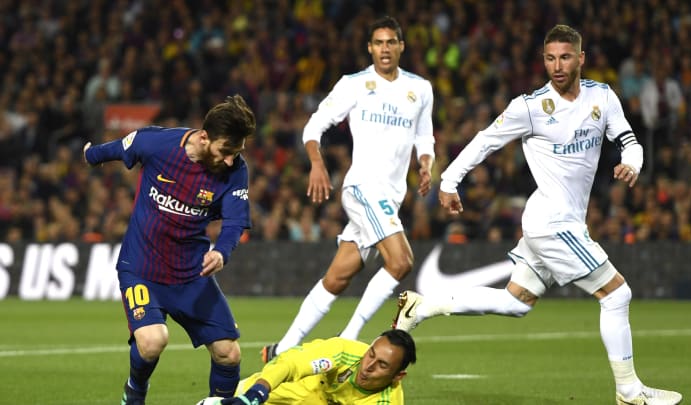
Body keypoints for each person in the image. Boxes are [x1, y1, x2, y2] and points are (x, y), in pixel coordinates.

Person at [393, 25, 682, 405]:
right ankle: (629, 392)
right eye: (549, 58)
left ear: (581, 58)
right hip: (551, 222)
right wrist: (449, 180)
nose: (557, 66)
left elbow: (628, 139)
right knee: (617, 294)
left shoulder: (602, 97)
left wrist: (632, 162)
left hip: (564, 220)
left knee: (516, 302)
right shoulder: (530, 107)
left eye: (564, 57)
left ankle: (424, 305)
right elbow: (485, 140)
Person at [262, 16, 435, 362]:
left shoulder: (421, 89)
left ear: (401, 46)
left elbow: (424, 135)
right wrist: (317, 162)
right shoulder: (354, 84)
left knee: (338, 277)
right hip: (362, 188)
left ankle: (279, 349)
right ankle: (349, 337)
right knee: (401, 262)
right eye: (378, 43)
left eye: (391, 43)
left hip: (389, 197)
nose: (384, 49)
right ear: (369, 48)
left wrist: (426, 162)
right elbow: (313, 127)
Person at [82, 95, 256, 404]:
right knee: (152, 341)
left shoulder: (235, 170)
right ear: (204, 137)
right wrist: (91, 155)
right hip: (142, 267)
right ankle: (135, 392)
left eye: (237, 152)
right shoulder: (157, 144)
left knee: (228, 353)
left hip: (191, 274)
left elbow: (233, 223)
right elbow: (117, 148)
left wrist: (222, 252)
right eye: (226, 151)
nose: (231, 160)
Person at [201, 329, 416, 405]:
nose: (368, 366)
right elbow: (291, 363)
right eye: (371, 354)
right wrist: (258, 392)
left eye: (382, 365)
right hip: (302, 389)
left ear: (398, 376)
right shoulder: (344, 350)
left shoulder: (386, 402)